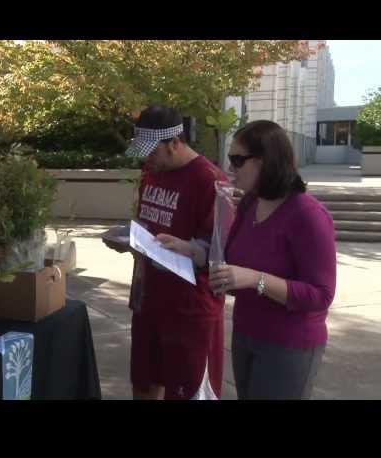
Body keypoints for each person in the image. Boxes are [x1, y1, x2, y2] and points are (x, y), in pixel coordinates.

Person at [103, 105, 227, 400]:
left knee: (186, 392)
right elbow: (146, 220)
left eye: (152, 151)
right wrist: (130, 239)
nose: (147, 159)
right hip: (149, 300)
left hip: (190, 310)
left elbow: (223, 252)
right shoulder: (151, 172)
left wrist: (190, 248)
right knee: (144, 384)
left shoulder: (209, 180)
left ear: (175, 142)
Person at [209, 120, 336, 400]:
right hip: (246, 334)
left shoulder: (308, 215)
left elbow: (321, 295)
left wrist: (256, 279)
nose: (231, 168)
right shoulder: (249, 204)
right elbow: (233, 265)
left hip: (290, 344)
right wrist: (190, 251)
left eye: (238, 160)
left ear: (266, 161)